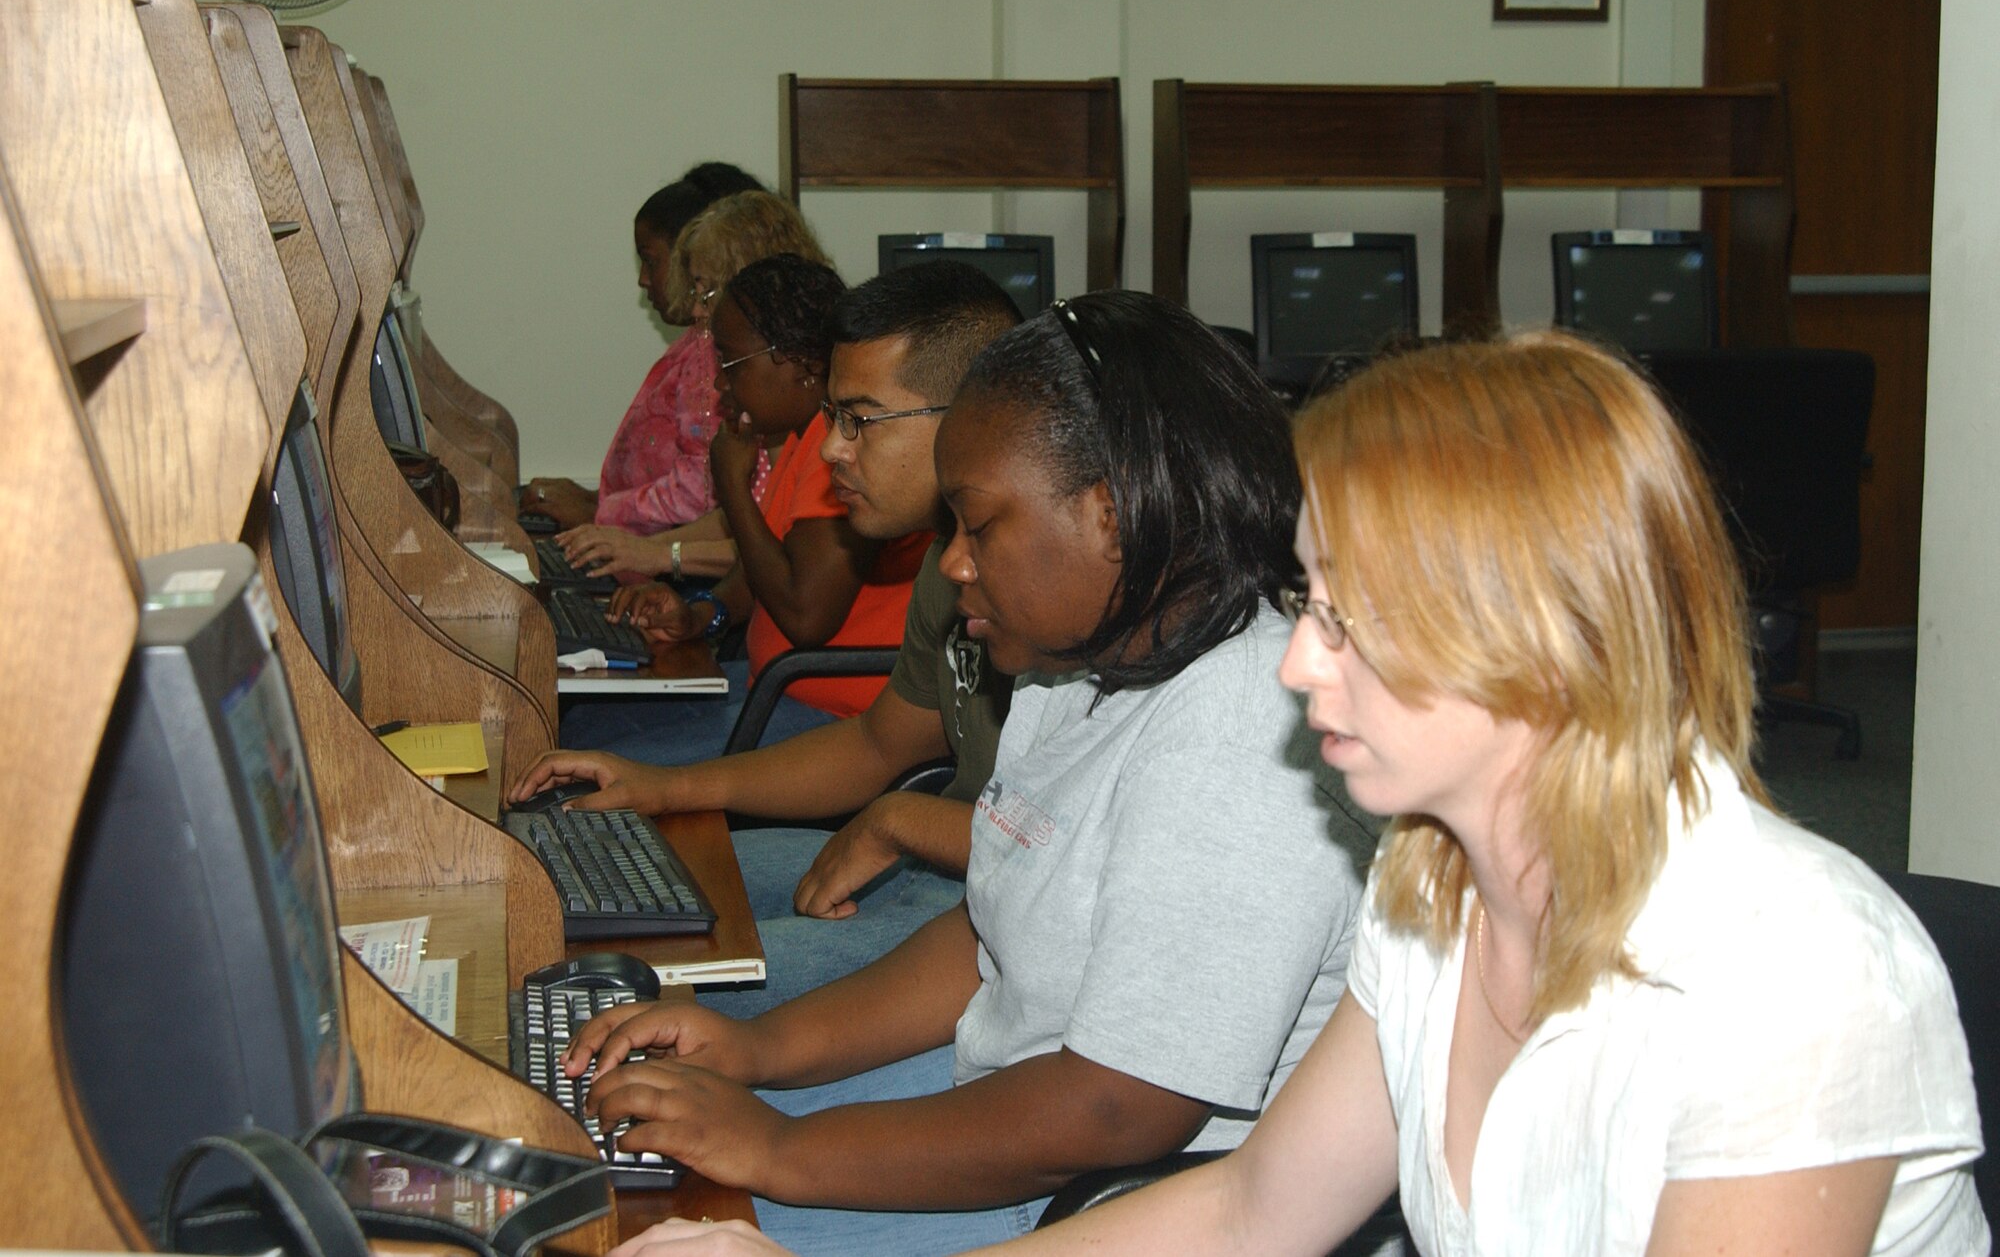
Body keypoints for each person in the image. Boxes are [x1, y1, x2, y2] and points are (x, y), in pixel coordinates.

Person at [611, 330, 1988, 1257]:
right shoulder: (1432, 885)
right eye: (1309, 599)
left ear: (1533, 629)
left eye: (1353, 614)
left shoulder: (1795, 977)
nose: (1300, 664)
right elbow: (1253, 1206)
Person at [555, 293, 1376, 1255]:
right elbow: (989, 932)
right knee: (608, 1159)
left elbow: (1119, 1109)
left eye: (978, 525)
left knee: (645, 1229)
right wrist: (759, 1051)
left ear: (1112, 517)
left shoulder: (1238, 728)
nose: (953, 563)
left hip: (1113, 1191)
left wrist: (779, 1146)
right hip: (1016, 1106)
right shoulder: (1073, 666)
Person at [510, 262, 1023, 1013]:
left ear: (973, 414)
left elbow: (1070, 858)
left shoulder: (1051, 585)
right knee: (576, 889)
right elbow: (878, 745)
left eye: (860, 420)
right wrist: (665, 786)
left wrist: (898, 819)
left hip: (995, 924)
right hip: (941, 869)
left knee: (640, 989)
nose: (829, 450)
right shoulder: (949, 567)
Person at [559, 253, 932, 764]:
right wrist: (700, 615)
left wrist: (733, 489)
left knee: (594, 757)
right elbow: (762, 572)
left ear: (802, 365)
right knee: (578, 722)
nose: (719, 387)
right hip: (777, 687)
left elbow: (806, 617)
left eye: (731, 365)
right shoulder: (802, 439)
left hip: (834, 718)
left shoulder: (836, 451)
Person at [555, 191, 834, 582]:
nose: (697, 308)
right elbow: (747, 534)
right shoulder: (783, 427)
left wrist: (653, 553)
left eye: (706, 290)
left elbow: (778, 565)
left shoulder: (828, 443)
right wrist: (636, 549)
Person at [521, 162, 761, 531]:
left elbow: (701, 490)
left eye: (650, 261)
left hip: (667, 561)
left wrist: (596, 515)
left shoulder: (709, 351)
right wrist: (593, 500)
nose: (643, 280)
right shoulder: (694, 343)